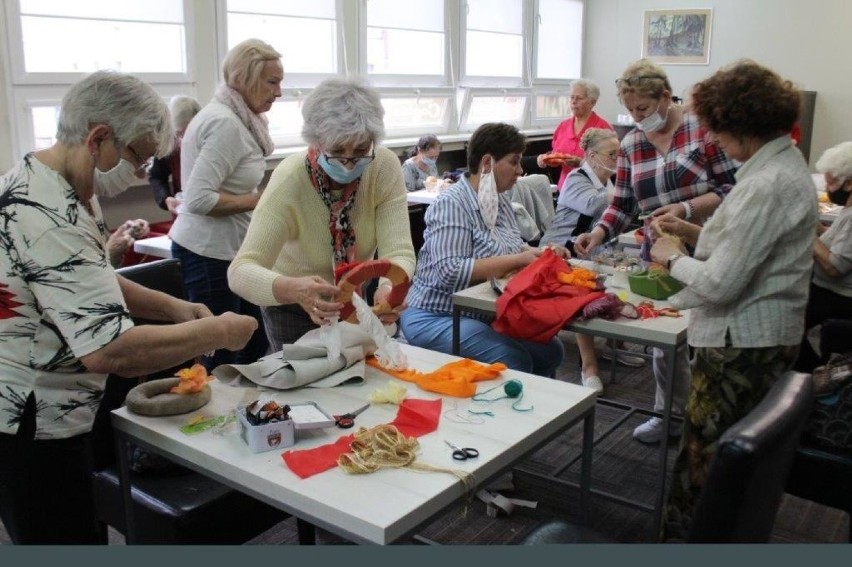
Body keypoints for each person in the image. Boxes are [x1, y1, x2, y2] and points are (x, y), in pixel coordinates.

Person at [0, 70, 259, 545]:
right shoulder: (47, 215)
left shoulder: (67, 188)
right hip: (31, 421)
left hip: (60, 405)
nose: (142, 173)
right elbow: (110, 350)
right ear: (99, 139)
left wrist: (175, 308)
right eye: (138, 157)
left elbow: (94, 281)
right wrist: (217, 333)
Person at [647, 59, 817, 540]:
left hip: (740, 344)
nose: (713, 141)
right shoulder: (780, 168)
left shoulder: (765, 184)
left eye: (719, 131)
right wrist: (693, 231)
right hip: (760, 335)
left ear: (743, 126)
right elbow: (750, 250)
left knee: (706, 466)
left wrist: (671, 255)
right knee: (727, 463)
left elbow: (721, 283)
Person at [574, 58, 738, 444]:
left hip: (710, 246)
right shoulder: (632, 143)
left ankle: (711, 425)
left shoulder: (703, 131)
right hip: (661, 255)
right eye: (630, 111)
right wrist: (598, 233)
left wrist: (686, 208)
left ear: (666, 96)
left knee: (710, 340)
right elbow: (623, 204)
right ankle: (672, 416)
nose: (636, 117)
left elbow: (734, 191)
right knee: (667, 339)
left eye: (643, 109)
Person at [228, 76, 416, 351]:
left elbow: (399, 250)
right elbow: (240, 272)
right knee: (305, 388)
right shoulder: (290, 179)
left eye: (361, 150)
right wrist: (294, 290)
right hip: (294, 308)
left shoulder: (384, 166)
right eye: (337, 151)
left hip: (357, 298)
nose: (349, 164)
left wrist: (390, 287)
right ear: (315, 142)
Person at [399, 122, 568, 378]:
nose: (520, 171)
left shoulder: (499, 200)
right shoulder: (452, 203)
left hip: (479, 312)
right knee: (513, 359)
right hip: (435, 314)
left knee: (551, 351)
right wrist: (520, 258)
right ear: (487, 163)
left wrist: (542, 253)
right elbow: (450, 271)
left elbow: (509, 248)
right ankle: (515, 414)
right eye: (514, 162)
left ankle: (537, 413)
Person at [169, 38, 282, 370]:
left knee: (253, 339)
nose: (279, 92)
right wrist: (262, 201)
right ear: (245, 78)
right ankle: (218, 417)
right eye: (272, 82)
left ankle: (244, 413)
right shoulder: (226, 124)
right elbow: (199, 199)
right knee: (222, 349)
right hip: (207, 252)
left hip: (226, 250)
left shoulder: (238, 118)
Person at [540, 128, 644, 392]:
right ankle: (589, 366)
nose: (618, 160)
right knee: (585, 291)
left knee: (625, 276)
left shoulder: (609, 182)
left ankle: (614, 344)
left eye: (620, 155)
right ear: (591, 155)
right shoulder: (576, 179)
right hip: (559, 250)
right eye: (613, 155)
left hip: (590, 251)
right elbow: (594, 205)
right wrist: (628, 189)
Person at [793, 142, 852, 372]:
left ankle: (802, 375)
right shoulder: (847, 211)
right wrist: (816, 227)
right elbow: (839, 242)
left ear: (848, 183)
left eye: (830, 181)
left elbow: (835, 265)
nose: (826, 187)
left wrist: (805, 233)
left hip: (836, 297)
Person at [536, 79, 613, 190]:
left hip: (592, 191)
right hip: (565, 190)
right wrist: (547, 159)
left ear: (593, 102)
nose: (574, 101)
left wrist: (582, 163)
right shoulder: (563, 126)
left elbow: (609, 166)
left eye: (579, 98)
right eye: (572, 97)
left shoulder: (603, 128)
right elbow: (556, 153)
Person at [148, 95, 201, 215]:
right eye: (180, 134)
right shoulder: (169, 144)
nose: (185, 139)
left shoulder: (212, 142)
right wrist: (166, 198)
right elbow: (157, 176)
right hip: (182, 212)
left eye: (189, 132)